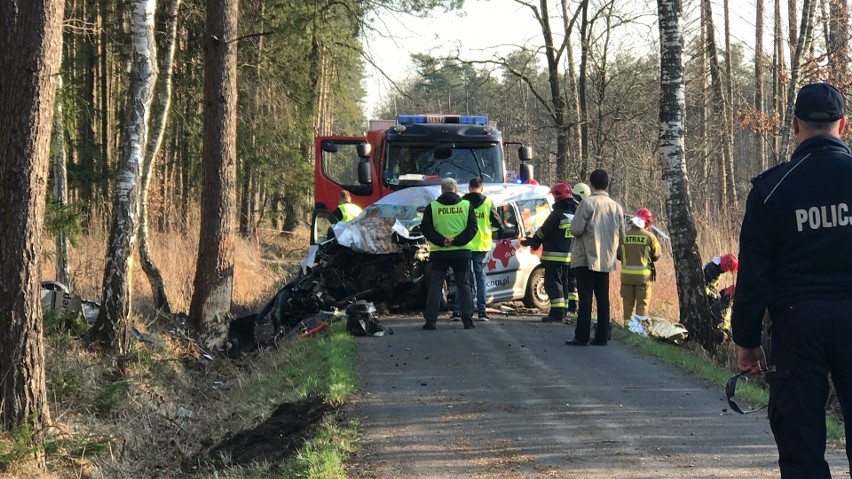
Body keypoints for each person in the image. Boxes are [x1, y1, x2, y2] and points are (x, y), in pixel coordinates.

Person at [732, 82, 852, 478]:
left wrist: (747, 340)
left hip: (797, 325)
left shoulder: (771, 190)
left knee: (800, 442)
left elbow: (753, 273)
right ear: (843, 125)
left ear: (796, 125)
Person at [566, 170, 624, 346]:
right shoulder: (616, 207)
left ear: (591, 184)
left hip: (586, 258)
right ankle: (602, 336)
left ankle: (581, 336)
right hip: (606, 259)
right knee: (603, 299)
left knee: (585, 299)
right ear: (607, 184)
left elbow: (575, 229)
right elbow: (622, 234)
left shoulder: (587, 203)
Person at [421, 178, 478, 330]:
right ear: (455, 189)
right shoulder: (466, 206)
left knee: (435, 286)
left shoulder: (432, 207)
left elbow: (425, 228)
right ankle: (468, 320)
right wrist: (456, 240)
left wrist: (442, 240)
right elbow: (472, 228)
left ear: (442, 189)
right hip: (461, 252)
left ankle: (431, 321)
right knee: (464, 285)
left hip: (440, 253)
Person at [521, 182, 579, 322]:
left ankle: (557, 313)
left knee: (553, 284)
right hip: (570, 257)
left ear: (558, 196)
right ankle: (564, 310)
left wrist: (532, 242)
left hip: (554, 256)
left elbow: (543, 232)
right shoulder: (574, 213)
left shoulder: (557, 214)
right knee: (564, 283)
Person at [449, 178, 501, 321]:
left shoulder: (462, 202)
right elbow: (498, 223)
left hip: (464, 245)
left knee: (462, 278)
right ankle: (482, 311)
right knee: (481, 278)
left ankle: (458, 311)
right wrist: (488, 229)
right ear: (481, 188)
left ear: (469, 187)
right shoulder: (488, 202)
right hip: (482, 246)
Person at [618, 208, 661, 323]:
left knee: (627, 303)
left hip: (626, 277)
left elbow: (618, 255)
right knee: (642, 304)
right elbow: (656, 256)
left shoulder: (624, 236)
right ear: (647, 222)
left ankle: (627, 327)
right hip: (643, 278)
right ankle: (639, 329)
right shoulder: (650, 237)